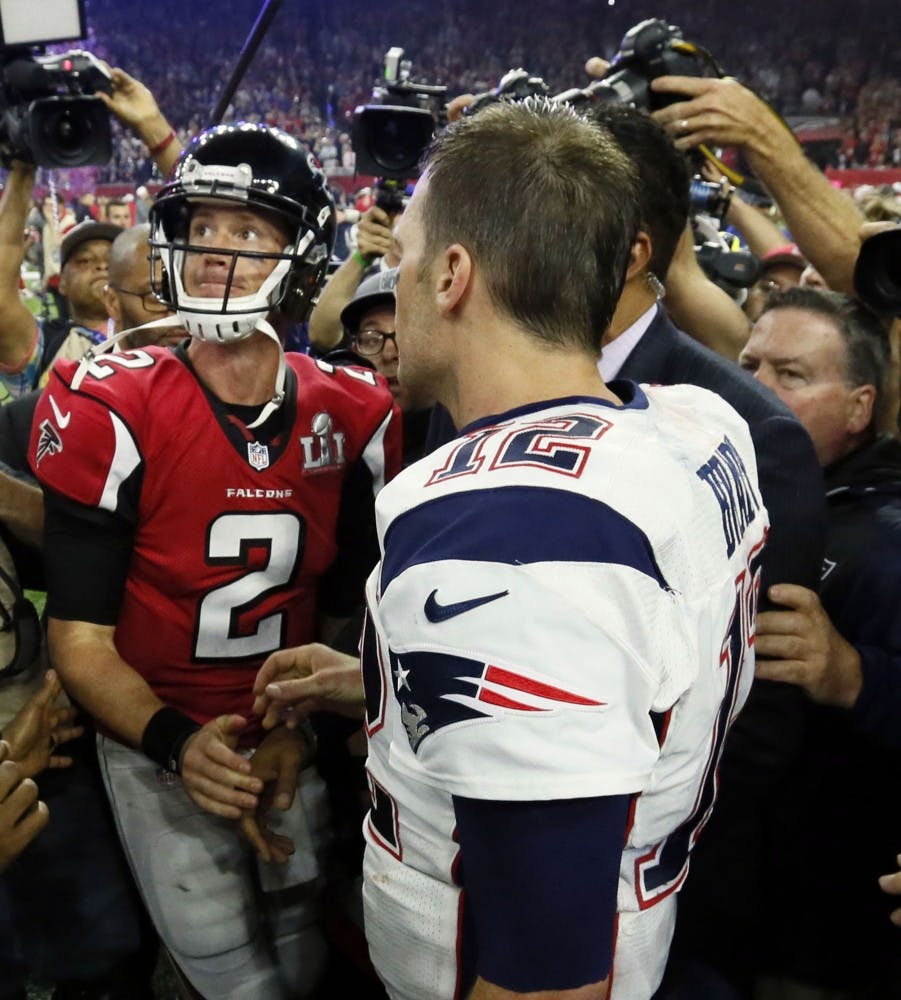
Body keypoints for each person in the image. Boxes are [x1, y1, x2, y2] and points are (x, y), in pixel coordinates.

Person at [254, 98, 769, 1000]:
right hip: (643, 911)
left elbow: (545, 975)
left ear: (452, 274)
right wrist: (383, 677)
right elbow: (636, 679)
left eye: (403, 259)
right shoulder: (696, 422)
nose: (397, 280)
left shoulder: (504, 533)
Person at [424, 96, 826, 1000]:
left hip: (648, 906)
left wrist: (629, 868)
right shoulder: (455, 380)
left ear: (629, 246)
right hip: (469, 878)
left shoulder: (746, 426)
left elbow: (752, 715)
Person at [30, 122, 402, 1000]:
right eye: (203, 225)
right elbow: (79, 638)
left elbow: (348, 607)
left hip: (289, 729)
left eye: (249, 231)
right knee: (229, 974)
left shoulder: (353, 408)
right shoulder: (110, 402)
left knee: (306, 944)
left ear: (300, 252)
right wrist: (175, 741)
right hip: (155, 730)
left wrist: (291, 726)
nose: (215, 251)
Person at [738, 287, 901, 996]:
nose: (754, 389)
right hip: (734, 906)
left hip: (829, 943)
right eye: (747, 364)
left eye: (791, 375)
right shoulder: (739, 498)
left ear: (859, 407)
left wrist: (853, 674)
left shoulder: (888, 541)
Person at [338, 267, 431, 466]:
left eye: (404, 334)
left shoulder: (460, 435)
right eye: (371, 339)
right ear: (355, 352)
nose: (389, 354)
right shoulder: (339, 445)